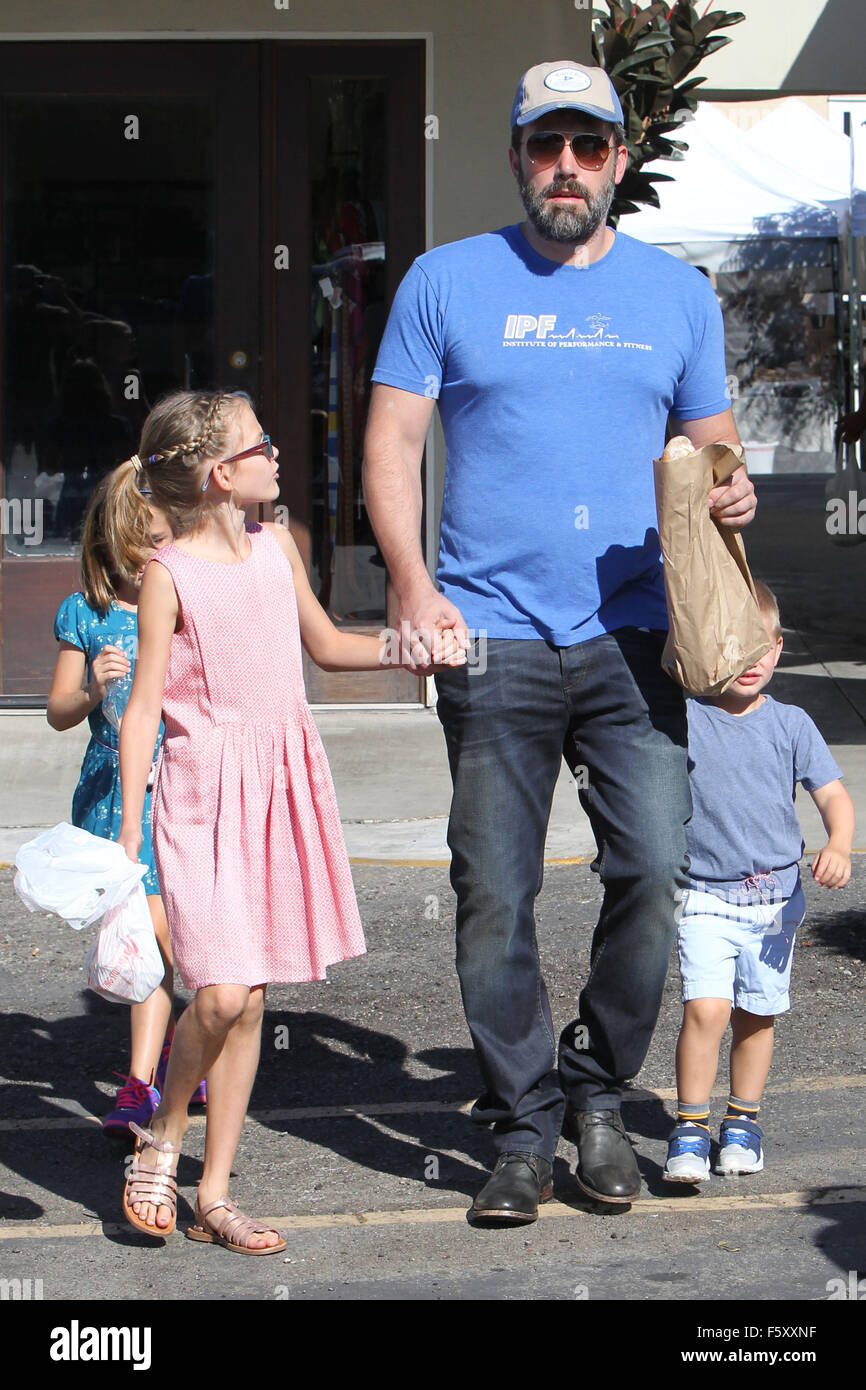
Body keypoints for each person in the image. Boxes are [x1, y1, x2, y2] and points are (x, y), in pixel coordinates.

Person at [363, 59, 758, 1224]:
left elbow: (713, 458)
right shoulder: (445, 282)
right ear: (518, 158)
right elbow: (390, 447)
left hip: (638, 635)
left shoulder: (676, 295)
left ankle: (597, 1091)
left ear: (618, 162)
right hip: (487, 634)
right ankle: (525, 1124)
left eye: (588, 146)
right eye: (547, 146)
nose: (567, 168)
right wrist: (409, 585)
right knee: (495, 889)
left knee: (649, 867)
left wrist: (733, 510)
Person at [116, 389, 464, 1252]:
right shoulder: (170, 574)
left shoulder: (280, 550)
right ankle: (163, 1133)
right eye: (260, 444)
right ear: (218, 473)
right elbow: (141, 709)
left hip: (279, 782)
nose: (278, 452)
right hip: (203, 791)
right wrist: (127, 833)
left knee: (251, 994)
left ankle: (217, 1192)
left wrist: (408, 645)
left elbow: (329, 645)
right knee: (222, 990)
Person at [664, 581, 853, 1183]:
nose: (751, 662)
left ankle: (742, 1122)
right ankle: (690, 1127)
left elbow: (833, 797)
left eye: (762, 646)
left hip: (776, 904)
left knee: (756, 1014)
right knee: (706, 1009)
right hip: (704, 895)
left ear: (778, 647)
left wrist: (840, 844)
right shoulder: (685, 716)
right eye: (733, 647)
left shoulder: (792, 723)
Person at [46, 464, 189, 1135]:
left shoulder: (187, 606)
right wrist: (93, 692)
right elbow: (57, 711)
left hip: (183, 787)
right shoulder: (86, 613)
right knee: (148, 937)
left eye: (157, 548)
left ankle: (181, 1060)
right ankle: (141, 1082)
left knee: (171, 937)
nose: (147, 565)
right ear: (111, 547)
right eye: (136, 552)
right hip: (114, 796)